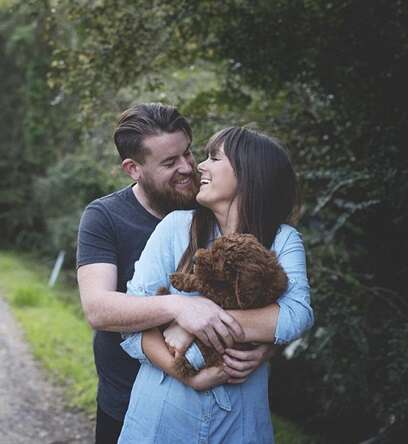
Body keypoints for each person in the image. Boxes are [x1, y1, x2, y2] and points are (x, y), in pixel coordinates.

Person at [77, 105, 280, 443]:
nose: (188, 168)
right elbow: (98, 309)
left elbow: (269, 294)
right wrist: (180, 307)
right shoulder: (105, 217)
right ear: (133, 169)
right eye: (170, 163)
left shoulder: (215, 204)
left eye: (188, 152)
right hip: (125, 400)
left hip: (218, 406)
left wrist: (264, 348)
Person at [117, 126, 315, 443]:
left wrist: (195, 324)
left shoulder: (283, 240)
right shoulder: (175, 227)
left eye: (214, 158)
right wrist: (186, 373)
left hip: (240, 419)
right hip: (163, 411)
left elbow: (295, 316)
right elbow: (132, 323)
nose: (200, 166)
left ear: (248, 174)